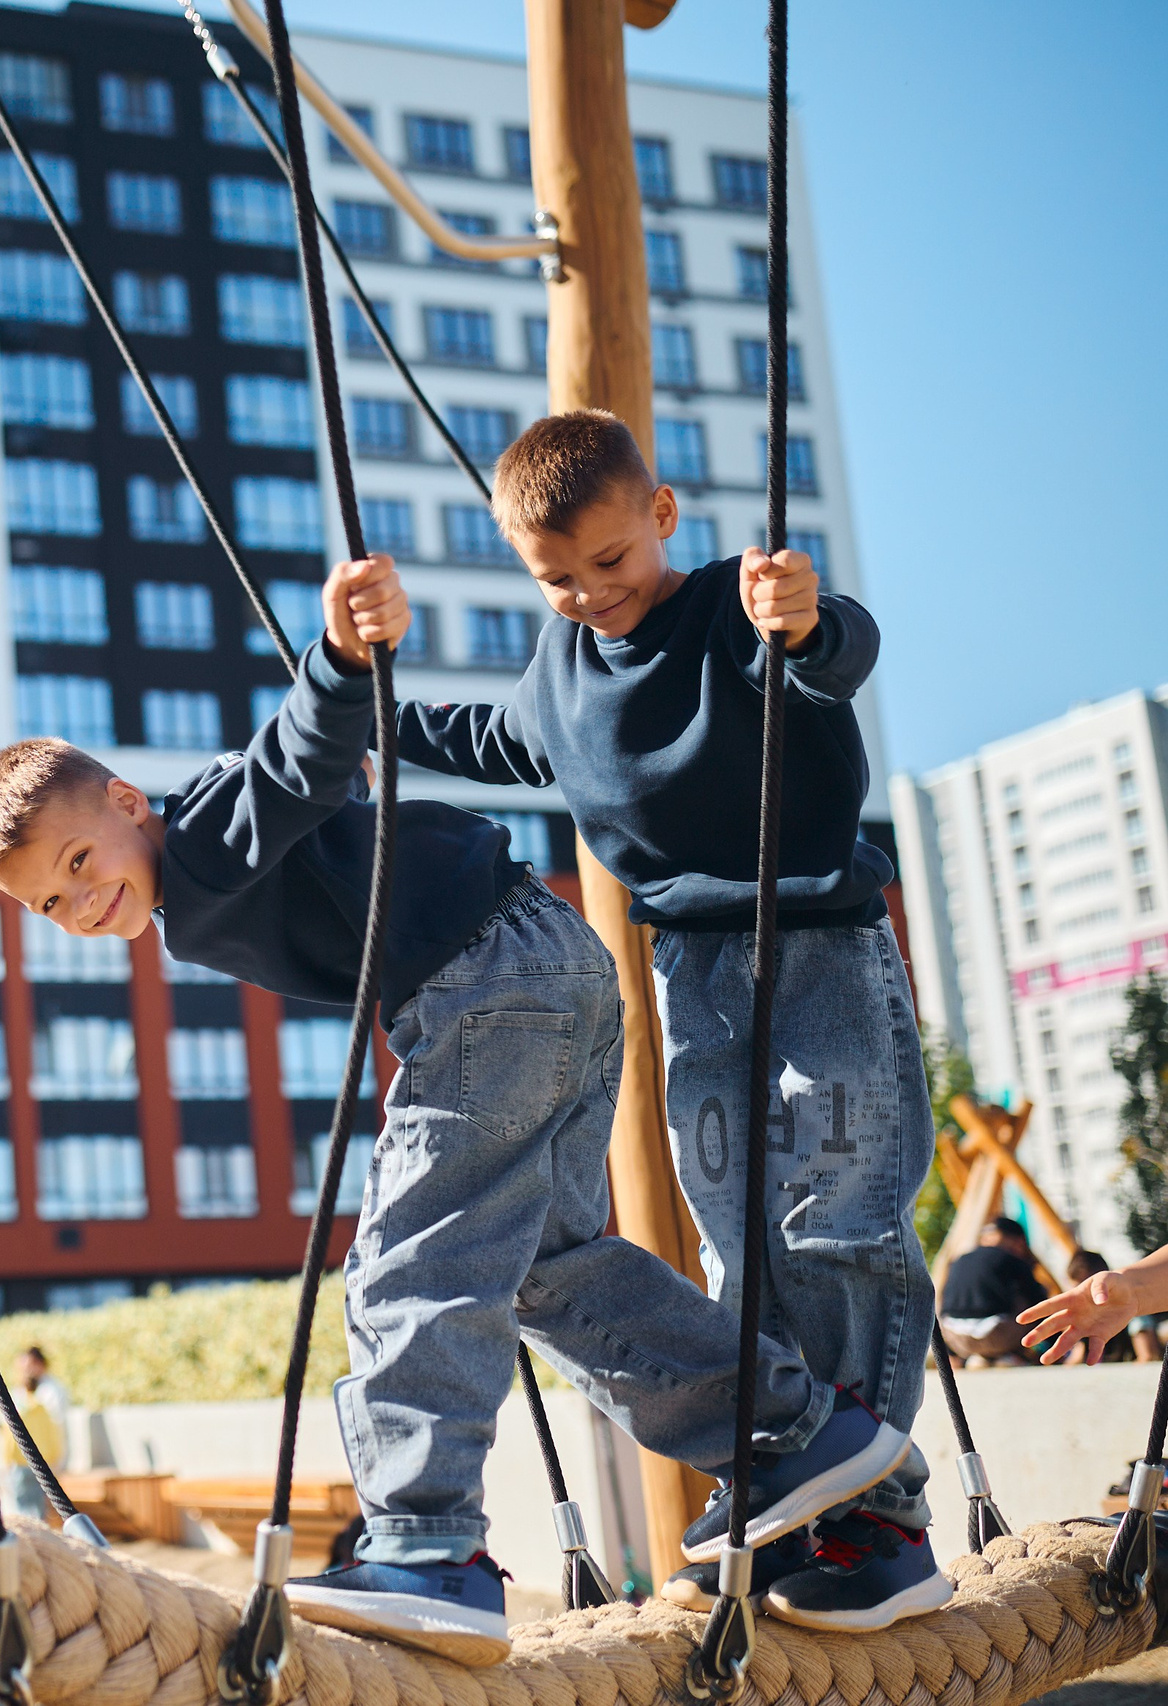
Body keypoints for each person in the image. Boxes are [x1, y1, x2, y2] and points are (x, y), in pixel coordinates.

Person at [0, 557, 900, 1666]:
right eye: (50, 902)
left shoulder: (205, 834)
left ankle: (425, 1541)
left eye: (78, 861)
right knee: (553, 1268)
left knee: (407, 1255)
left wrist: (345, 663)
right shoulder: (193, 889)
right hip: (548, 971)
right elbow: (333, 802)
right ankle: (791, 1429)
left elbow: (297, 761)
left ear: (126, 802)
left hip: (489, 985)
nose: (79, 900)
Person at [375, 410, 943, 1631]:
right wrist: (360, 705)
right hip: (689, 969)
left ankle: (885, 1511)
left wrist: (805, 615)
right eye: (556, 578)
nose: (588, 594)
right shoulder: (561, 672)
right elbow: (488, 739)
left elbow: (833, 653)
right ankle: (802, 1483)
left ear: (662, 517)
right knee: (737, 1233)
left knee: (833, 1212)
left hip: (815, 942)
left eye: (610, 562)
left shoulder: (739, 611)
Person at [1020, 1240, 1168, 1366]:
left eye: (1087, 1287)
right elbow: (1076, 1360)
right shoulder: (1083, 1319)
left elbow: (1148, 1355)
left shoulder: (1134, 1313)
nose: (1083, 1296)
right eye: (1076, 1289)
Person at [937, 1219, 1048, 1365]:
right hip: (998, 1335)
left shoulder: (959, 1259)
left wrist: (951, 1354)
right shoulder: (1011, 1258)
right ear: (1017, 1240)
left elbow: (946, 1301)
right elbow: (1038, 1300)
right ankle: (1016, 1356)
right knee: (1031, 1295)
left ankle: (976, 1359)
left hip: (955, 1338)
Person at [0, 1347, 70, 1524]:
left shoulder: (48, 1395)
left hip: (25, 1463)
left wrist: (5, 1464)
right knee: (36, 1511)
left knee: (25, 1511)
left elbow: (9, 1439)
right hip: (38, 1462)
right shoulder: (38, 1408)